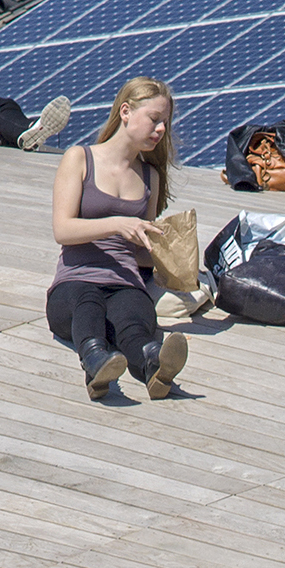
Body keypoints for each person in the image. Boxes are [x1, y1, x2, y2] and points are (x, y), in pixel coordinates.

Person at [48, 76, 197, 404]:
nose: (160, 130)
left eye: (165, 123)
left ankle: (152, 364)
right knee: (88, 302)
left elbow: (138, 250)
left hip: (125, 282)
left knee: (132, 318)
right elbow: (63, 230)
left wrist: (170, 258)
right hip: (75, 280)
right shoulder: (79, 158)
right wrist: (115, 224)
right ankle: (96, 361)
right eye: (154, 120)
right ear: (126, 111)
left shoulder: (149, 177)